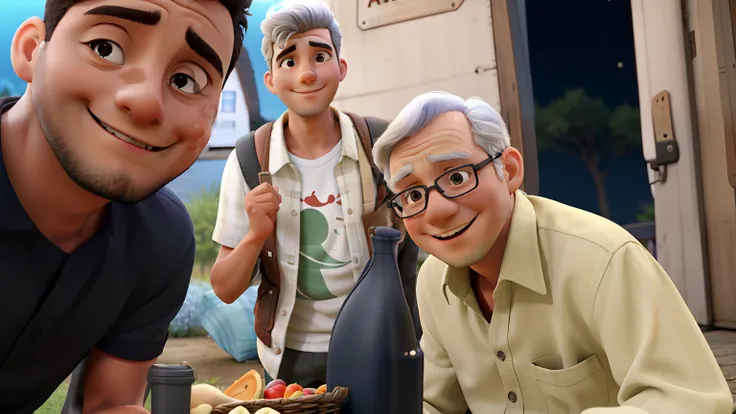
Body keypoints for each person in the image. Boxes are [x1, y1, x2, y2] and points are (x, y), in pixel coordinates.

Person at [371, 91, 734, 414]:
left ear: (509, 170)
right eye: (413, 195)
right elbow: (434, 402)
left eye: (456, 177)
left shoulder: (603, 259)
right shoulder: (435, 281)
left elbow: (691, 400)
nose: (436, 211)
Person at [0, 0, 250, 412]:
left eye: (186, 80)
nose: (146, 100)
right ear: (32, 49)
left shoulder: (160, 239)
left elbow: (112, 404)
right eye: (105, 48)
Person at [209, 1, 419, 388]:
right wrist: (255, 233)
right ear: (271, 80)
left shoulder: (380, 146)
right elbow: (223, 287)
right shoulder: (248, 160)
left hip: (381, 344)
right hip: (290, 356)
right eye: (289, 62)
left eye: (319, 56)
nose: (306, 74)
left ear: (340, 67)